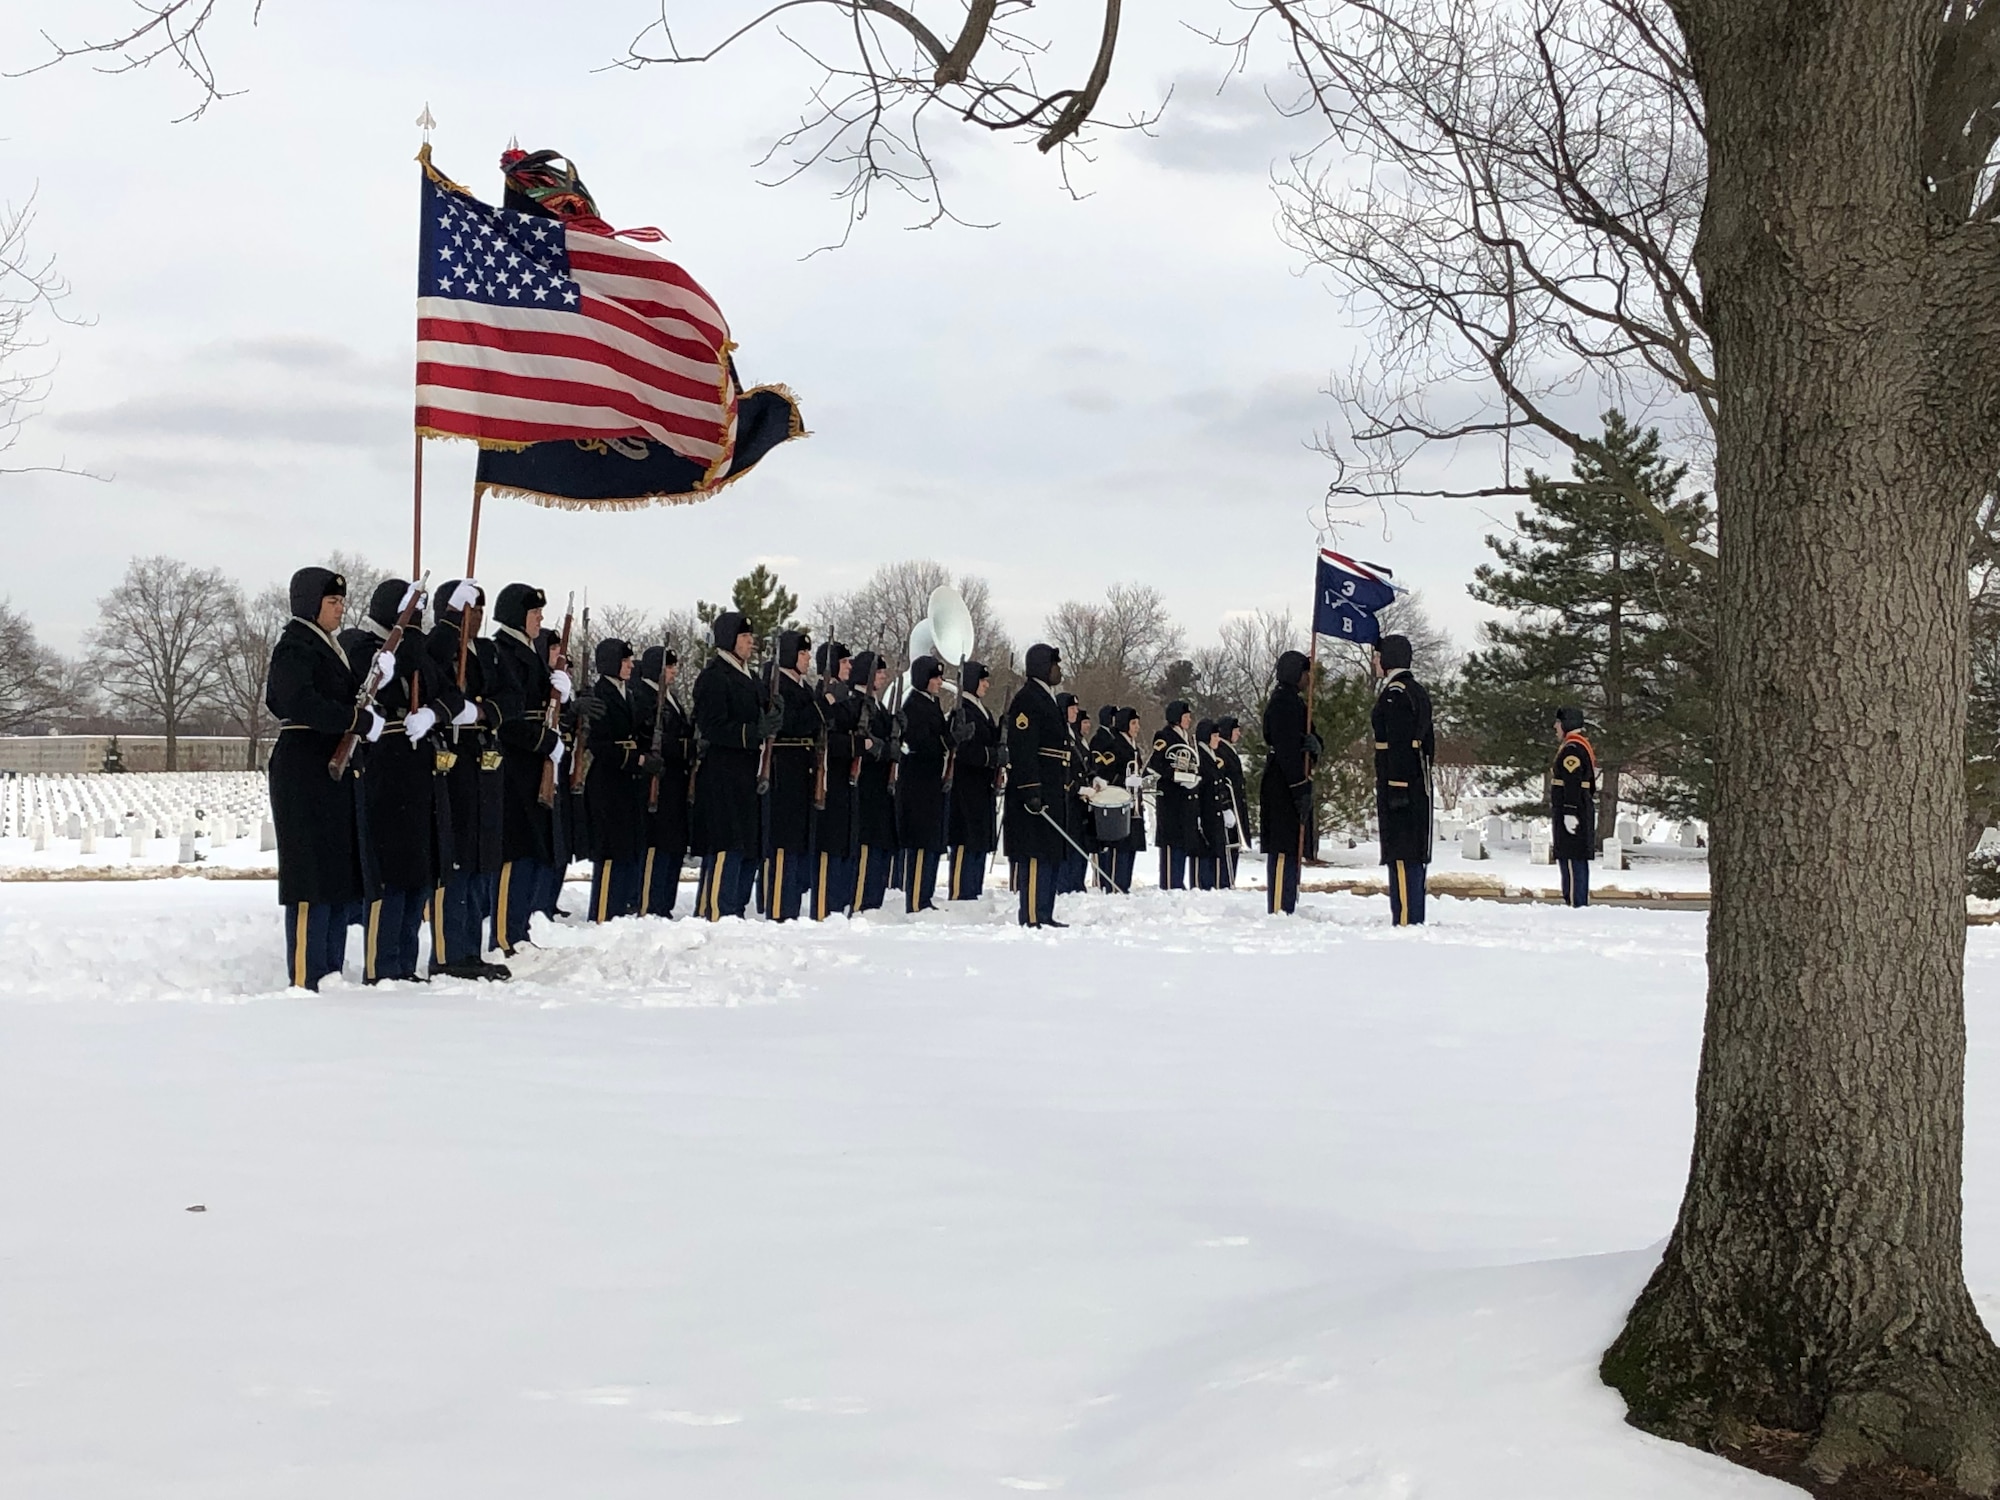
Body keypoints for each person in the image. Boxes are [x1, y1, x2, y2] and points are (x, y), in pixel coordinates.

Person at [340, 577, 464, 983]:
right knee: (390, 873)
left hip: (419, 766)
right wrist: (405, 637)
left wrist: (434, 713)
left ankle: (406, 962)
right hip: (384, 767)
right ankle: (381, 964)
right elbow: (378, 681)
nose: (418, 620)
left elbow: (450, 693)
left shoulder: (414, 649)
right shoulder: (360, 644)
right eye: (412, 610)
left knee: (418, 873)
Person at [267, 566, 373, 990]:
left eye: (342, 603)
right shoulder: (295, 646)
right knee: (311, 873)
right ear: (311, 604)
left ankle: (330, 967)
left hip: (330, 766)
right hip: (304, 767)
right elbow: (294, 700)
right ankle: (308, 972)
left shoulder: (327, 645)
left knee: (333, 870)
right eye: (333, 603)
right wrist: (351, 717)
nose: (340, 610)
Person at [423, 580, 510, 979]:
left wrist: (482, 712)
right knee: (455, 859)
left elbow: (512, 694)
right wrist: (449, 625)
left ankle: (469, 947)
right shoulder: (440, 646)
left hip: (483, 756)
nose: (476, 617)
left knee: (478, 857)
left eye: (480, 610)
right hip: (452, 758)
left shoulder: (488, 651)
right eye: (469, 610)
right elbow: (427, 671)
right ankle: (447, 951)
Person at [487, 585, 570, 954]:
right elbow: (509, 717)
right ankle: (505, 935)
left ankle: (518, 930)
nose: (539, 618)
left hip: (532, 765)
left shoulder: (528, 652)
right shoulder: (502, 651)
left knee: (533, 852)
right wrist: (544, 742)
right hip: (514, 763)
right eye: (534, 612)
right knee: (514, 853)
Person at [693, 610, 778, 921]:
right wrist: (752, 731)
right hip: (722, 771)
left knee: (749, 842)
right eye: (744, 637)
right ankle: (718, 907)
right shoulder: (714, 676)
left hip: (748, 770)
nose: (750, 642)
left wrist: (772, 715)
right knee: (726, 841)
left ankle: (736, 906)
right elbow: (712, 726)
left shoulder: (751, 677)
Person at [583, 637, 658, 922]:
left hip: (629, 782)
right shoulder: (600, 694)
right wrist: (636, 759)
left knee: (629, 844)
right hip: (608, 779)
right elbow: (599, 744)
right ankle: (603, 910)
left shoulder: (630, 693)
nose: (630, 665)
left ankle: (624, 906)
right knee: (610, 848)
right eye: (625, 661)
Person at [1003, 643, 1072, 928]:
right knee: (1035, 852)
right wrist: (1031, 788)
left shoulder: (1048, 699)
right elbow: (1023, 748)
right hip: (1037, 788)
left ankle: (1045, 910)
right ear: (1044, 666)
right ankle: (1031, 912)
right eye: (1055, 664)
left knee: (1050, 851)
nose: (1059, 669)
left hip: (1054, 786)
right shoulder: (1027, 699)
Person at [1372, 633, 1435, 926]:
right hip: (1417, 781)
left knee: (1402, 853)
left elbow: (1397, 744)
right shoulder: (1417, 691)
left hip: (1400, 783)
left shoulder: (1394, 694)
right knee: (1412, 853)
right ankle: (1411, 913)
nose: (1375, 661)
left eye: (1378, 656)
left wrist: (1396, 786)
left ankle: (1407, 917)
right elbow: (1428, 745)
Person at [763, 629, 823, 922]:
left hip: (804, 768)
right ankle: (779, 908)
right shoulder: (780, 687)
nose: (808, 658)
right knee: (785, 841)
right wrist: (822, 709)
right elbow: (793, 724)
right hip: (784, 768)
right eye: (802, 653)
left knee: (799, 840)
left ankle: (791, 906)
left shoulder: (803, 687)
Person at [631, 644, 693, 918]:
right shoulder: (643, 695)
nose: (674, 672)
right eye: (669, 667)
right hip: (656, 777)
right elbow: (648, 736)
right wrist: (681, 748)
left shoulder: (671, 698)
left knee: (673, 843)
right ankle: (649, 901)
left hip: (675, 779)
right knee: (656, 842)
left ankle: (664, 902)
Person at [1260, 650, 1318, 916]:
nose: (1309, 678)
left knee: (1292, 844)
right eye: (1305, 673)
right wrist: (1298, 787)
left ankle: (1288, 901)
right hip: (1282, 783)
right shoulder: (1282, 703)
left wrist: (1315, 747)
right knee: (1283, 847)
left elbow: (1307, 737)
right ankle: (1279, 906)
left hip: (1292, 780)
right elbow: (1286, 750)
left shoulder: (1295, 703)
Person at [811, 641, 862, 919]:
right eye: (844, 662)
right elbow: (826, 737)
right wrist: (856, 745)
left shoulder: (846, 697)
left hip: (845, 780)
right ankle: (824, 909)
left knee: (844, 843)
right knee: (829, 846)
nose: (850, 667)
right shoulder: (823, 695)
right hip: (828, 779)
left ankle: (841, 905)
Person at [896, 655, 951, 912]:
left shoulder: (932, 704)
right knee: (920, 842)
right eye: (935, 677)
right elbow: (921, 742)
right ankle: (917, 898)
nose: (940, 682)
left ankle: (925, 895)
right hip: (917, 781)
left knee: (930, 841)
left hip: (930, 781)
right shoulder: (915, 705)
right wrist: (947, 741)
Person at [946, 661, 1003, 900]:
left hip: (982, 786)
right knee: (965, 842)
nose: (987, 685)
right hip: (965, 786)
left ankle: (973, 891)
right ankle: (961, 893)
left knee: (978, 842)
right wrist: (991, 756)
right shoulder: (962, 711)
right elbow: (963, 751)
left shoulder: (983, 711)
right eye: (982, 681)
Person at [849, 651, 899, 913]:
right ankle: (861, 901)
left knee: (880, 844)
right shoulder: (857, 703)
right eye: (878, 672)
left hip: (880, 787)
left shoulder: (876, 705)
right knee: (867, 845)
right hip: (865, 784)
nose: (883, 677)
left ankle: (873, 902)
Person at [1149, 700, 1202, 889]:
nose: (1189, 719)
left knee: (1182, 840)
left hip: (1184, 800)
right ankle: (1171, 882)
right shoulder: (1164, 736)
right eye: (1186, 716)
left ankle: (1178, 881)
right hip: (1171, 799)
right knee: (1172, 841)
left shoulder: (1187, 738)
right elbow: (1156, 764)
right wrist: (1176, 776)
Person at [1550, 705, 1598, 908]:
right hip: (1577, 808)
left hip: (1572, 810)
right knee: (1572, 857)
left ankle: (1574, 903)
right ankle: (1575, 900)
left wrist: (1569, 811)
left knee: (1571, 858)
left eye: (1559, 723)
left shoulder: (1572, 750)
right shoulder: (1577, 746)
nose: (1555, 727)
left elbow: (1572, 782)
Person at [1214, 716, 1249, 887]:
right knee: (1229, 844)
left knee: (1234, 845)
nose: (1239, 734)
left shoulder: (1229, 749)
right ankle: (1225, 880)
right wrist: (1226, 806)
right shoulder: (1221, 750)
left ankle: (1230, 879)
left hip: (1236, 803)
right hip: (1229, 804)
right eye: (1236, 731)